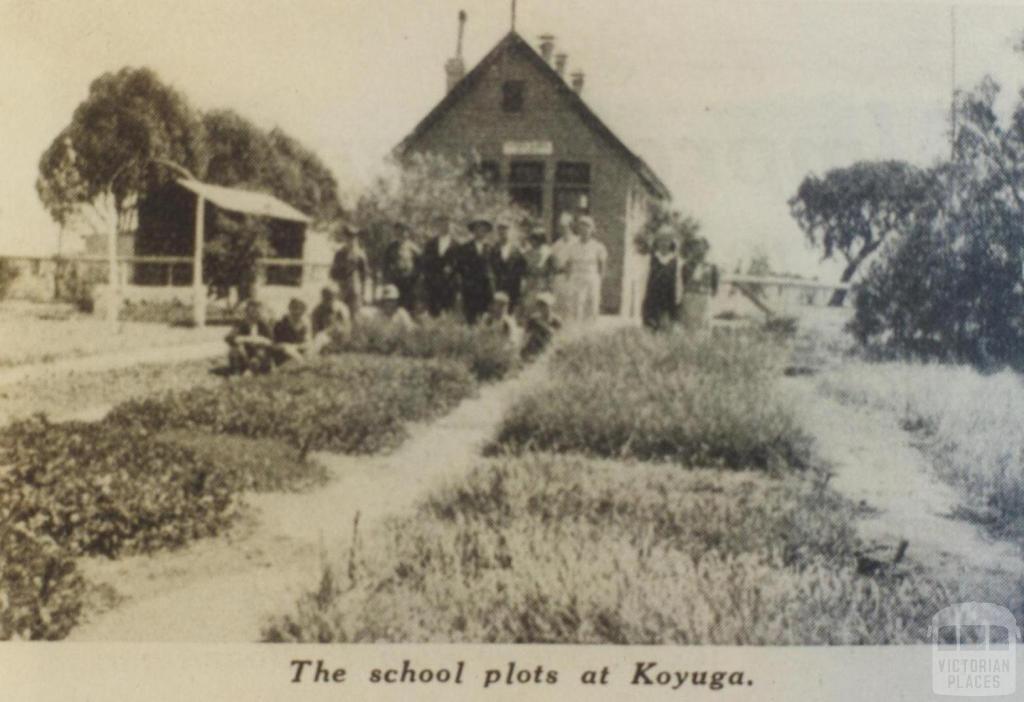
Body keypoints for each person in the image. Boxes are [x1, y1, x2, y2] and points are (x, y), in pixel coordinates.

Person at [565, 215, 607, 323]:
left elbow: (602, 265)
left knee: (592, 304)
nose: (584, 231)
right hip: (576, 277)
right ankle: (577, 329)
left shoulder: (598, 246)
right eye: (581, 228)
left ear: (592, 230)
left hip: (591, 277)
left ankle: (591, 330)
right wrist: (568, 280)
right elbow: (568, 264)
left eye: (587, 228)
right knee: (577, 304)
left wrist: (599, 280)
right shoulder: (572, 246)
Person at [641, 227, 684, 331]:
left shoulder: (677, 261)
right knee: (651, 327)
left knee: (667, 328)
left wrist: (678, 299)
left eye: (667, 240)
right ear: (657, 242)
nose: (664, 243)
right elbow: (643, 279)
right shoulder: (650, 258)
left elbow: (679, 282)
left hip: (669, 298)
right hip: (652, 298)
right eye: (661, 240)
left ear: (672, 242)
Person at [456, 217, 495, 324]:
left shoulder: (491, 248)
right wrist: (463, 284)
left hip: (486, 287)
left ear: (487, 231)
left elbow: (495, 269)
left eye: (483, 229)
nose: (480, 232)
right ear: (473, 231)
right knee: (470, 317)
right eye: (477, 228)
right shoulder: (464, 248)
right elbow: (459, 268)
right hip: (470, 288)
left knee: (486, 317)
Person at [420, 213, 460, 317]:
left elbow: (459, 265)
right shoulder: (430, 244)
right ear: (437, 226)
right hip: (433, 286)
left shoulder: (457, 245)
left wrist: (452, 268)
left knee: (448, 313)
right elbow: (425, 264)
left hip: (449, 286)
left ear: (451, 226)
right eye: (441, 224)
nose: (444, 226)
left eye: (447, 224)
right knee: (433, 313)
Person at [489, 217, 528, 313]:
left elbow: (523, 269)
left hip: (513, 288)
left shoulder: (517, 250)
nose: (503, 232)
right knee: (498, 313)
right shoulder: (494, 249)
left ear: (510, 231)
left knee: (511, 313)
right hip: (499, 287)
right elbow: (491, 268)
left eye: (505, 229)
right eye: (500, 230)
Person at [225, 299, 274, 375]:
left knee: (262, 349)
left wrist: (261, 340)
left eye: (257, 311)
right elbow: (229, 338)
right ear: (247, 312)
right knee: (235, 348)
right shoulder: (241, 323)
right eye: (252, 311)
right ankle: (239, 371)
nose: (255, 314)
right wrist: (247, 339)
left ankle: (252, 369)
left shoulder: (263, 324)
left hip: (259, 354)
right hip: (245, 353)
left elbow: (271, 340)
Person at [330, 225, 369, 317]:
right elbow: (333, 273)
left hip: (355, 288)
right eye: (349, 237)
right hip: (341, 288)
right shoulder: (339, 253)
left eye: (354, 237)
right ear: (345, 238)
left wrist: (364, 293)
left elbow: (364, 275)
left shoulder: (360, 255)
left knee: (355, 314)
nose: (351, 240)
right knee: (340, 313)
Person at [382, 221, 421, 313]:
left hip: (409, 283)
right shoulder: (391, 247)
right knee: (395, 306)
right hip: (395, 281)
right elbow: (385, 265)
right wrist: (387, 280)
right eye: (398, 231)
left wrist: (416, 278)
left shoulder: (414, 248)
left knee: (409, 306)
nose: (401, 234)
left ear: (408, 233)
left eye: (404, 231)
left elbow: (420, 266)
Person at [548, 211, 578, 319]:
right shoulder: (557, 244)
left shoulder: (577, 242)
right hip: (559, 277)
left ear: (571, 226)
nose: (563, 229)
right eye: (561, 226)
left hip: (573, 277)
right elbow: (552, 262)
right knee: (557, 306)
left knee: (571, 306)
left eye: (566, 226)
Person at [521, 291, 562, 361]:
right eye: (539, 305)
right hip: (532, 351)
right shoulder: (533, 319)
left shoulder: (556, 321)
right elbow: (525, 335)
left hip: (547, 350)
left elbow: (558, 338)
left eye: (544, 305)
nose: (541, 308)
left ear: (549, 306)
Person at [522, 226, 553, 316]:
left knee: (540, 305)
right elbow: (525, 269)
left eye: (536, 239)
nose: (533, 242)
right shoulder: (527, 253)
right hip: (530, 282)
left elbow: (550, 270)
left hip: (542, 282)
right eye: (532, 239)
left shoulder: (547, 252)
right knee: (528, 306)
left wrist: (549, 284)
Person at [272, 297, 311, 365]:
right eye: (295, 308)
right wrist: (288, 347)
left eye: (301, 309)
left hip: (299, 351)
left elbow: (307, 342)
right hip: (283, 354)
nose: (297, 311)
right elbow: (275, 344)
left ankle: (304, 364)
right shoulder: (281, 323)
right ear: (290, 308)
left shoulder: (304, 324)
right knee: (289, 350)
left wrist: (296, 347)